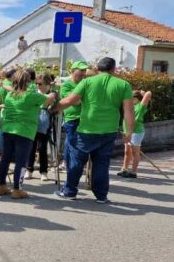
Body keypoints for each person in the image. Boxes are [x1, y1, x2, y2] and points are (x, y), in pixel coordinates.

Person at [53, 57, 134, 203]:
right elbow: (128, 110)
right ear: (113, 69)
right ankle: (101, 196)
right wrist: (128, 132)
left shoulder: (87, 82)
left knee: (77, 161)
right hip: (109, 130)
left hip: (87, 129)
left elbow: (69, 101)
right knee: (102, 163)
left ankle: (70, 191)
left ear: (97, 68)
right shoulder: (123, 85)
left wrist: (53, 108)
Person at [0, 69, 56, 199]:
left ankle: (1, 186)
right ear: (28, 82)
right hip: (25, 131)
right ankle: (17, 189)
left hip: (8, 129)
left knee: (5, 158)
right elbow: (49, 100)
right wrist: (53, 91)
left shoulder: (10, 95)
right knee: (21, 161)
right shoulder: (31, 96)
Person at [26, 73, 55, 182]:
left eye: (40, 84)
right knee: (31, 146)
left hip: (45, 122)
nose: (38, 86)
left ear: (47, 84)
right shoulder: (34, 92)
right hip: (33, 120)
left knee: (42, 148)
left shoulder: (53, 93)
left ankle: (44, 171)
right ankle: (29, 169)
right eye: (37, 83)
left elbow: (56, 106)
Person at [60, 61, 87, 170]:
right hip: (71, 118)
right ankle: (67, 162)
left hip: (84, 117)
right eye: (80, 70)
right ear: (72, 71)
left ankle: (75, 163)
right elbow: (74, 101)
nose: (83, 73)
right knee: (71, 140)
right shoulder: (66, 84)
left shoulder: (85, 83)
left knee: (81, 142)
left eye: (84, 70)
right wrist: (81, 99)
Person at [118, 90, 152, 178]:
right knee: (126, 152)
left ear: (136, 99)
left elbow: (149, 93)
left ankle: (133, 172)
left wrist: (143, 93)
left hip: (136, 132)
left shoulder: (140, 106)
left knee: (134, 152)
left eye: (131, 98)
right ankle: (124, 169)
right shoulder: (129, 107)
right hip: (127, 131)